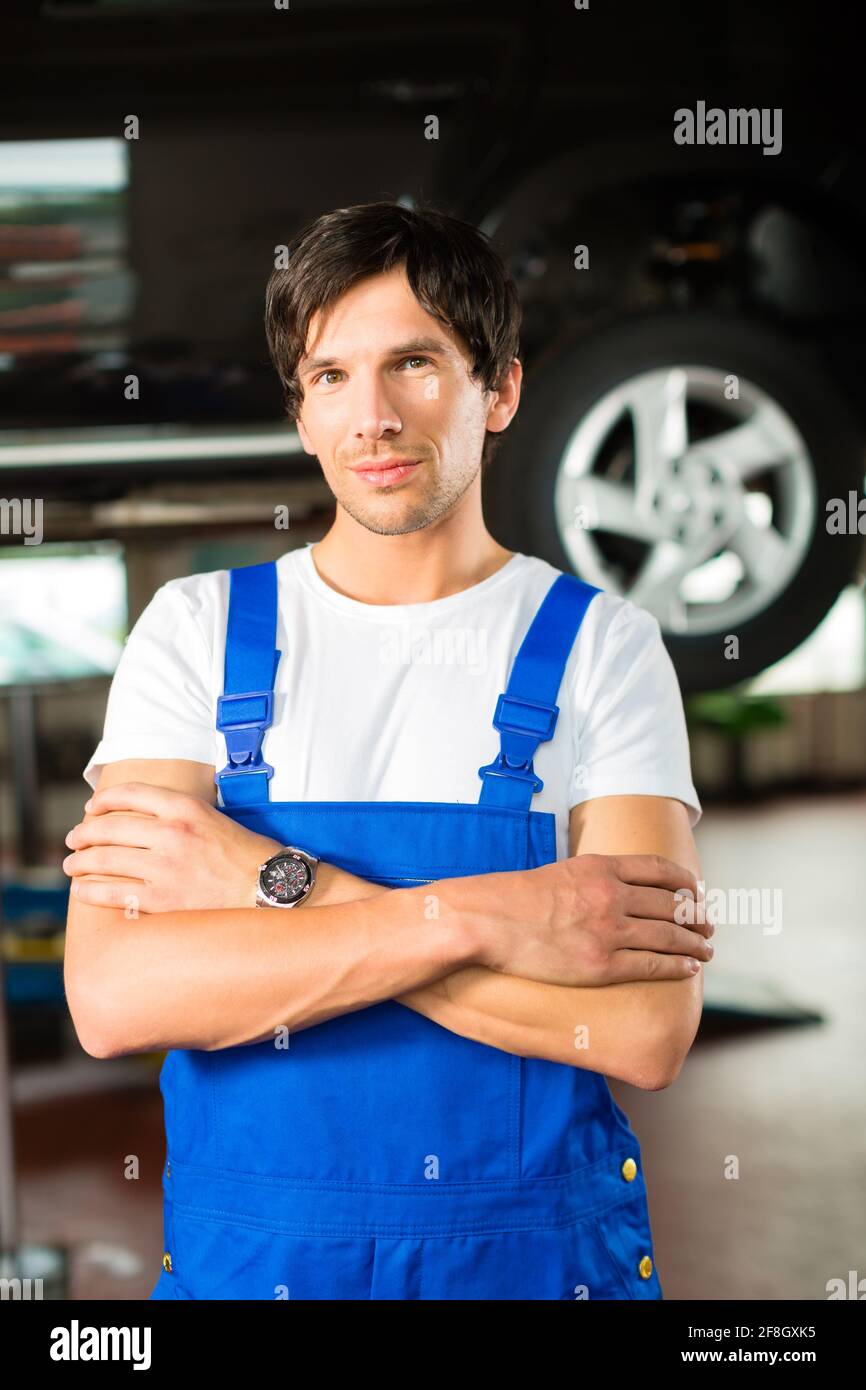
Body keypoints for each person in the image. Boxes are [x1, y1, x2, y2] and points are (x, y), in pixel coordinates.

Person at [63, 200, 711, 1301]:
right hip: (252, 1263)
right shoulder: (195, 633)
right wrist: (484, 917)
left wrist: (262, 888)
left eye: (413, 363)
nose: (371, 416)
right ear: (302, 415)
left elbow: (643, 1030)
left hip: (531, 1262)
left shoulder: (604, 649)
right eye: (329, 377)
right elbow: (117, 996)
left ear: (497, 389)